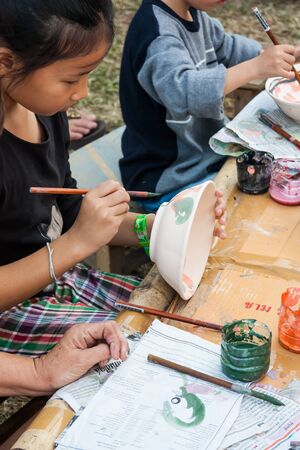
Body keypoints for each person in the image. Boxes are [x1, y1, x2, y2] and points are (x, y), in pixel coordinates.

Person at [0, 0, 227, 396]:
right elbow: (76, 236)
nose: (83, 93)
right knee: (145, 363)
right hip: (11, 310)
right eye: (72, 79)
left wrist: (167, 228)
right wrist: (75, 245)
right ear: (5, 61)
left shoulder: (41, 107)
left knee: (183, 323)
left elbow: (69, 209)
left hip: (57, 278)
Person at [119, 0, 300, 212]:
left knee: (280, 180)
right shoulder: (157, 36)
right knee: (256, 212)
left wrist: (281, 57)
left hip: (207, 157)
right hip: (168, 178)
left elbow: (226, 47)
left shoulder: (192, 12)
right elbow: (185, 93)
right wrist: (256, 67)